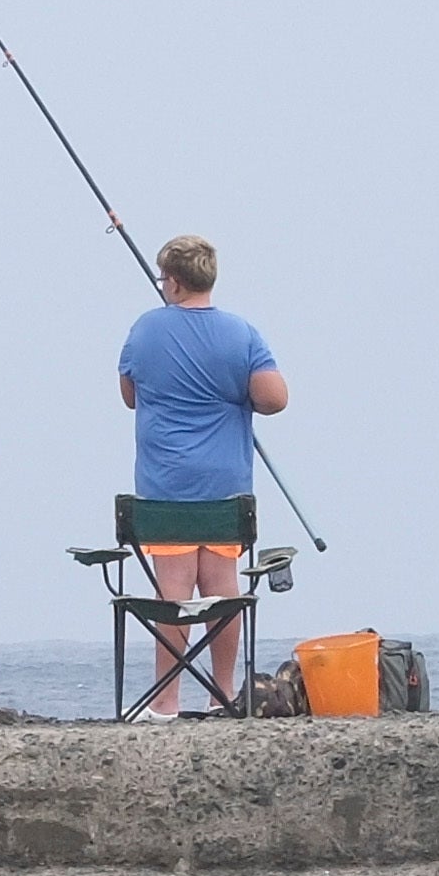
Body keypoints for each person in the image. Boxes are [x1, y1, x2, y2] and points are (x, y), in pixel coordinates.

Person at [109, 231, 283, 718]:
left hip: (165, 488)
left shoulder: (145, 330)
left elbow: (129, 395)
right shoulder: (241, 333)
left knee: (173, 593)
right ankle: (222, 695)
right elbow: (275, 398)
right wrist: (235, 396)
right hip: (226, 490)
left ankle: (165, 701)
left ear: (176, 282)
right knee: (223, 588)